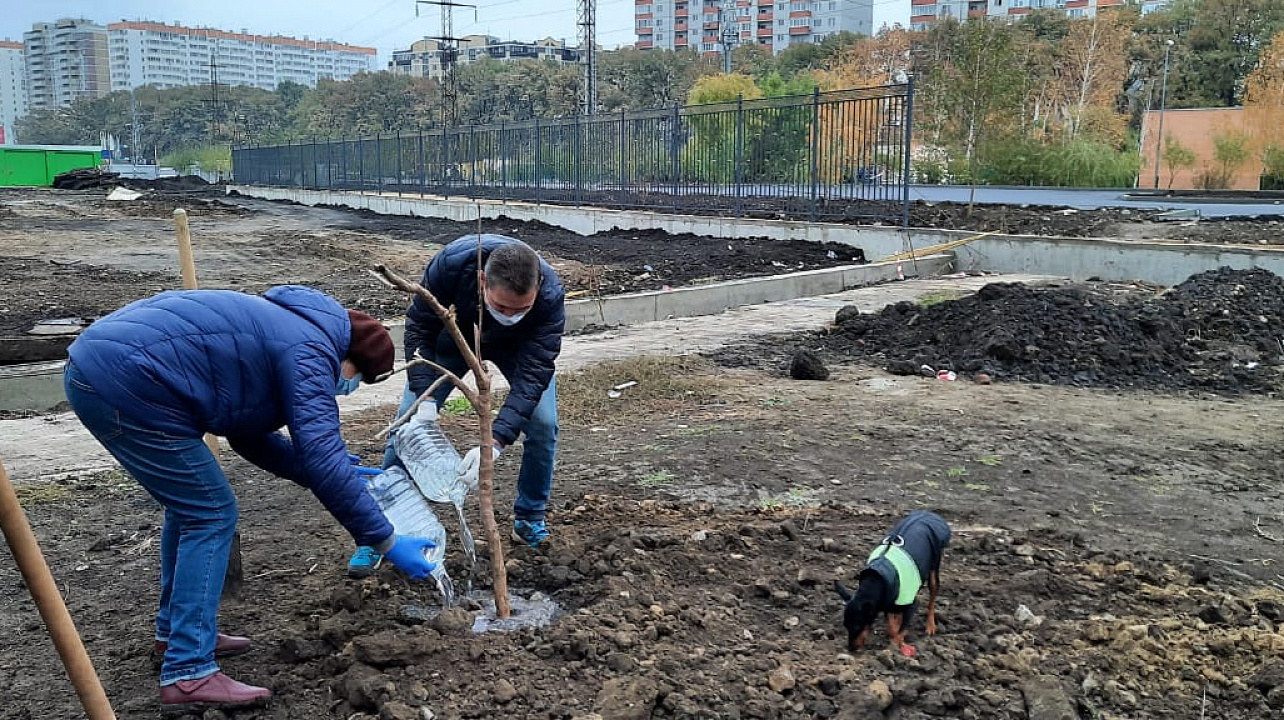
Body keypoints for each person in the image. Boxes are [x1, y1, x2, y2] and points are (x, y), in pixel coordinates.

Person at [63, 285, 439, 713]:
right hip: (127, 382)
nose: (345, 388)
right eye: (352, 379)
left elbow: (249, 435)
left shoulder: (289, 329)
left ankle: (178, 636)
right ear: (347, 360)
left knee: (190, 509)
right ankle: (188, 673)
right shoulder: (311, 351)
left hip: (106, 368)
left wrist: (335, 471)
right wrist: (385, 539)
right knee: (210, 513)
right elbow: (320, 453)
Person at [348, 235, 565, 576]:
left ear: (537, 287)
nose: (510, 315)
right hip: (454, 337)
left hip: (519, 350)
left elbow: (534, 375)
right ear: (482, 281)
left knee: (543, 423)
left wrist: (495, 442)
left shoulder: (550, 296)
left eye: (521, 309)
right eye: (502, 306)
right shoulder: (451, 266)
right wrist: (425, 399)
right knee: (406, 428)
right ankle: (376, 532)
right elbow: (419, 327)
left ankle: (529, 518)